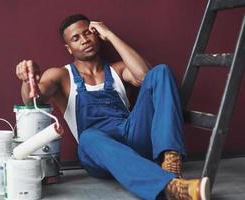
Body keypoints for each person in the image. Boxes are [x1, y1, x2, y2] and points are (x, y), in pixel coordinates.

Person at [16, 14, 210, 200]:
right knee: (88, 137)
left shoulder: (118, 69)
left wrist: (110, 35)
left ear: (96, 34)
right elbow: (32, 100)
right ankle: (169, 186)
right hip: (98, 153)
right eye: (76, 38)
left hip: (132, 138)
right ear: (69, 48)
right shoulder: (61, 76)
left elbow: (144, 76)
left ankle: (171, 169)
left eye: (87, 33)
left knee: (160, 72)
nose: (84, 40)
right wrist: (28, 79)